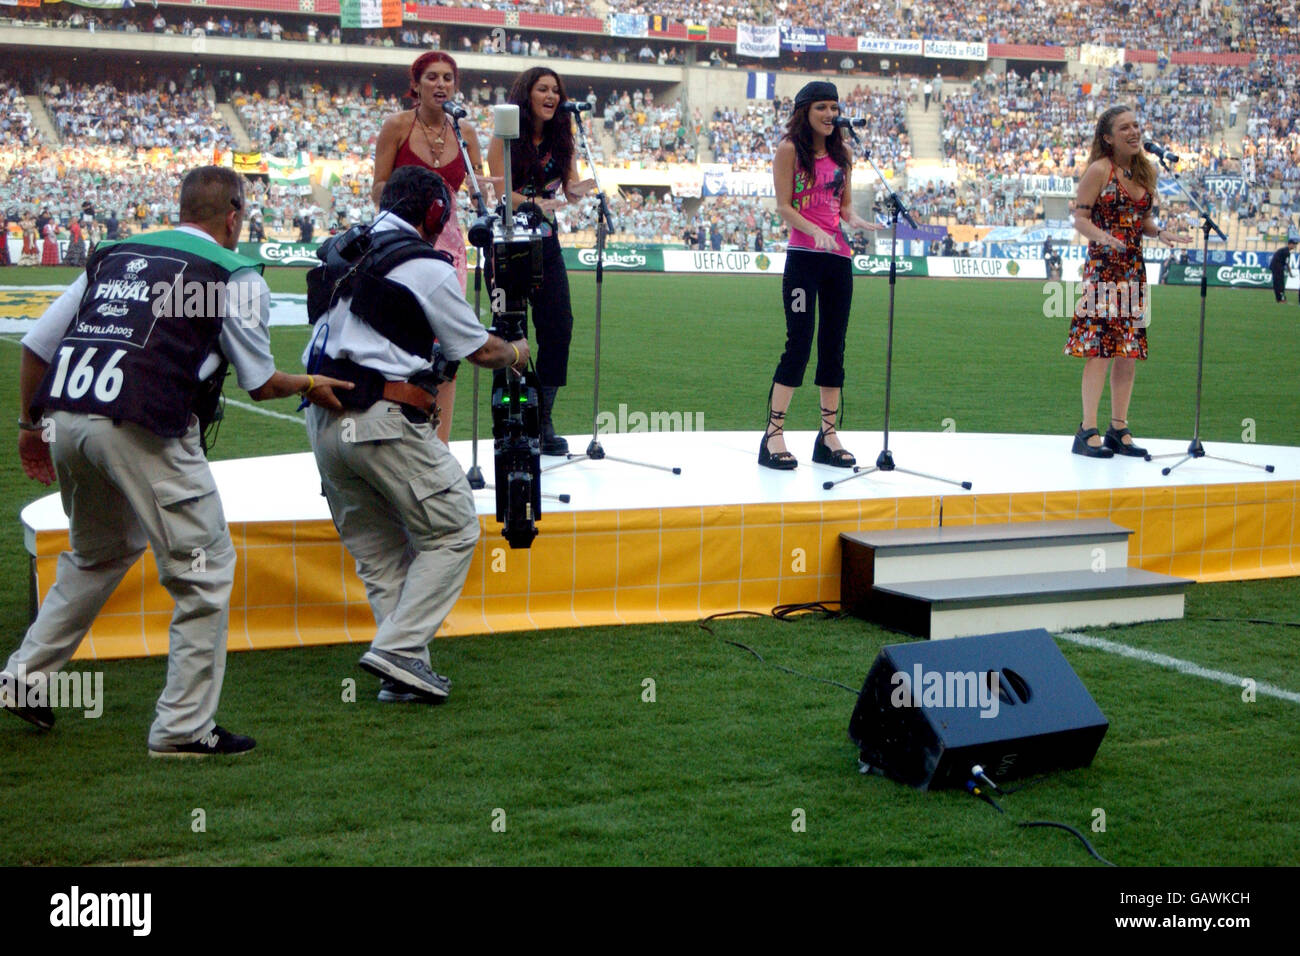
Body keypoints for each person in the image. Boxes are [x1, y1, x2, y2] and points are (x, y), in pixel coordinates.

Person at [2, 166, 349, 753]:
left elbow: (38, 344)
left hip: (68, 421)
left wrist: (30, 427)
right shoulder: (234, 274)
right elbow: (259, 382)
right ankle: (183, 729)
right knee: (204, 572)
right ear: (235, 214)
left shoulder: (115, 254)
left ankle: (22, 681)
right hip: (145, 427)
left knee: (96, 556)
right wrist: (310, 381)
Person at [302, 166, 529, 704]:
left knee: (380, 554)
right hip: (382, 416)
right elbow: (480, 351)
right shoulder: (424, 265)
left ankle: (402, 671)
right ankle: (400, 651)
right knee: (453, 529)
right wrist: (520, 352)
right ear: (434, 213)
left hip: (321, 419)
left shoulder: (342, 247)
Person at [760, 81, 878, 470]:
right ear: (805, 112)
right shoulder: (789, 150)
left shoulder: (843, 157)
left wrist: (855, 220)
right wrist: (815, 232)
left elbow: (841, 208)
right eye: (822, 108)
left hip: (837, 260)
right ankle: (773, 434)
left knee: (834, 345)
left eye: (834, 107)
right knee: (799, 344)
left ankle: (827, 436)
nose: (830, 114)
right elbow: (784, 207)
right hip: (803, 260)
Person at [372, 51, 486, 445]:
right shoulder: (397, 126)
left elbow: (479, 188)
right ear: (416, 84)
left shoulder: (465, 132)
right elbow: (377, 188)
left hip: (450, 244)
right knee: (401, 334)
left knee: (446, 346)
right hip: (401, 240)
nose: (441, 84)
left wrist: (488, 193)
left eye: (449, 78)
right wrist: (412, 205)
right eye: (433, 77)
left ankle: (441, 442)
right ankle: (393, 435)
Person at [1064, 106, 1190, 458]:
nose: (1134, 131)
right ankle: (1086, 430)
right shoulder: (1099, 171)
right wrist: (1104, 238)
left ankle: (1118, 428)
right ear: (1108, 137)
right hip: (1104, 270)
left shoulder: (1142, 170)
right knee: (1101, 350)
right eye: (1124, 128)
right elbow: (1080, 219)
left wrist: (1161, 232)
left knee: (1128, 352)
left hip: (1133, 269)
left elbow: (1142, 220)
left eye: (1136, 125)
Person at [487, 66, 596, 456]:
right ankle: (511, 419)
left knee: (558, 327)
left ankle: (542, 417)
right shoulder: (505, 134)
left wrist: (578, 190)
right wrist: (534, 203)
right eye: (542, 89)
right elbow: (500, 192)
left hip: (546, 243)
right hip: (508, 242)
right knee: (510, 332)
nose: (551, 96)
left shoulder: (562, 136)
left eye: (555, 90)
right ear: (526, 94)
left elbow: (568, 186)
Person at [1269, 238, 1296, 303]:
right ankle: (1282, 299)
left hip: (1275, 267)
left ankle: (1278, 299)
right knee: (1280, 284)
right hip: (1278, 268)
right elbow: (1287, 264)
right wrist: (1290, 273)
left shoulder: (1284, 250)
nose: (1294, 246)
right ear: (1289, 244)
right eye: (1293, 244)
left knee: (1276, 283)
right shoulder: (1286, 252)